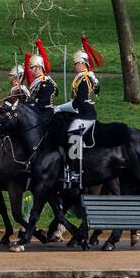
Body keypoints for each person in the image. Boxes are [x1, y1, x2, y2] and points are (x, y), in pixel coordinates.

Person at [53, 48, 99, 187]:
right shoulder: (82, 77)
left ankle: (75, 171)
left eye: (76, 63)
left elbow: (78, 102)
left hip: (86, 114)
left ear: (83, 64)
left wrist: (59, 108)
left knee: (72, 133)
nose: (74, 66)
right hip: (81, 113)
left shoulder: (84, 79)